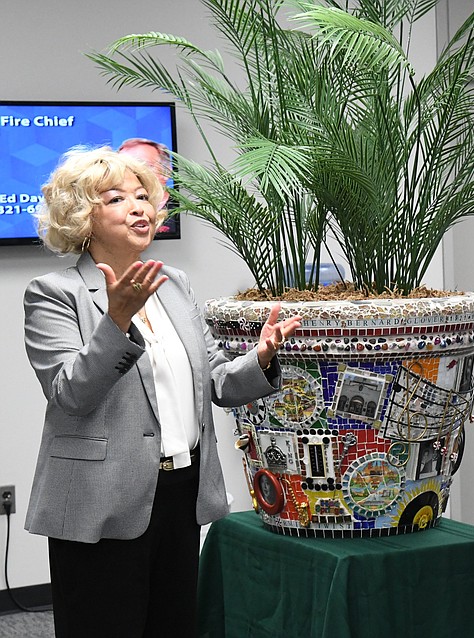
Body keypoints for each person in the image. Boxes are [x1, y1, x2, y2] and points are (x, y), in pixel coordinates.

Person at [23, 147, 302, 637]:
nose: (140, 208)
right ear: (83, 216)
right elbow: (70, 393)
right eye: (117, 198)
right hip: (100, 503)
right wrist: (117, 320)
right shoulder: (53, 293)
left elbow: (214, 379)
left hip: (180, 496)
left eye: (143, 196)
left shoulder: (175, 284)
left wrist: (260, 358)